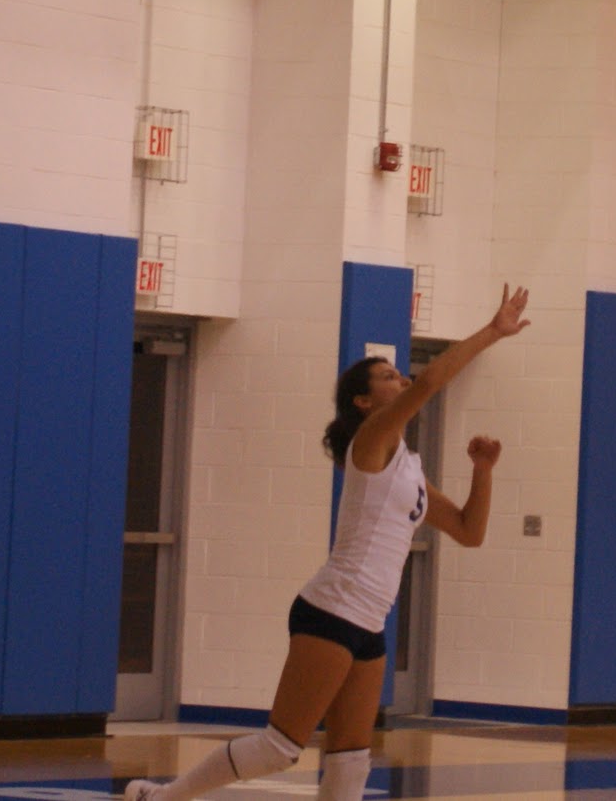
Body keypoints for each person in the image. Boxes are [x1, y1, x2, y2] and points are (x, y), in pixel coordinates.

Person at [125, 284, 530, 801]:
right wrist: (493, 331)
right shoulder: (371, 442)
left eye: (397, 373)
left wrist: (483, 471)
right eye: (387, 377)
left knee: (352, 759)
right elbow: (429, 382)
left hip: (370, 624)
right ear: (364, 402)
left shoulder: (408, 468)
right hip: (332, 611)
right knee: (280, 747)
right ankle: (161, 798)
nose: (400, 378)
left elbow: (470, 533)